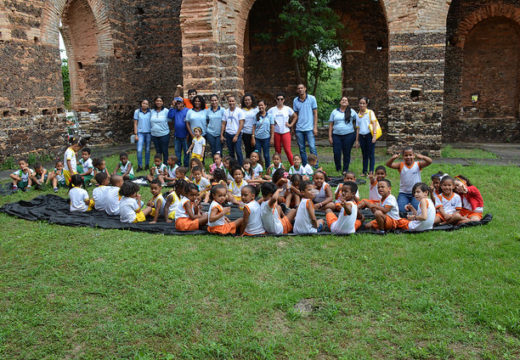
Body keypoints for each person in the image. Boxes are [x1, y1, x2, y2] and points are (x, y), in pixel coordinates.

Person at [386, 146, 433, 213]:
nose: (408, 157)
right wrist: (393, 158)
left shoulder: (418, 164)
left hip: (416, 193)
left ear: (414, 155)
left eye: (410, 155)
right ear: (403, 157)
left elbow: (429, 161)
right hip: (403, 193)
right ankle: (408, 209)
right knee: (401, 210)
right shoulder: (401, 165)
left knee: (417, 208)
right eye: (406, 155)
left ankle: (411, 209)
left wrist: (422, 157)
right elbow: (388, 164)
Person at [328, 96, 357, 173]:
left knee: (346, 152)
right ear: (340, 102)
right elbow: (331, 124)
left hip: (349, 135)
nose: (344, 101)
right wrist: (330, 136)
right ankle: (338, 168)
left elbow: (358, 121)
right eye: (342, 100)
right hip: (336, 135)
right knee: (336, 152)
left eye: (346, 100)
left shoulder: (352, 111)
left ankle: (345, 169)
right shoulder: (334, 112)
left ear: (348, 103)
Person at [293, 84, 318, 167]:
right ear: (297, 90)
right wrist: (293, 127)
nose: (300, 90)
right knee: (302, 149)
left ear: (305, 89)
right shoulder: (295, 100)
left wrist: (315, 127)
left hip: (309, 128)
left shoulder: (312, 98)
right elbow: (295, 115)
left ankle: (315, 166)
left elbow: (315, 113)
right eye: (298, 88)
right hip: (299, 128)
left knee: (312, 148)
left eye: (302, 88)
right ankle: (304, 166)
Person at [268, 93, 296, 165]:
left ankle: (293, 166)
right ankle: (279, 167)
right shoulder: (272, 110)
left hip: (285, 132)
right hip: (276, 132)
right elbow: (266, 117)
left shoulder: (287, 109)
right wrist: (272, 122)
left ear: (284, 100)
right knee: (277, 151)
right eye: (278, 99)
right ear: (276, 100)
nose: (280, 101)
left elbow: (295, 116)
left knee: (287, 150)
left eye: (281, 99)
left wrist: (291, 124)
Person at [355, 97, 379, 177]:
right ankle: (364, 171)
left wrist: (374, 135)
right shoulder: (357, 115)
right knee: (364, 154)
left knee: (371, 154)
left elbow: (374, 123)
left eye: (363, 103)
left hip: (370, 135)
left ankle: (371, 171)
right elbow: (358, 128)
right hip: (362, 136)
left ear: (366, 104)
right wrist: (357, 140)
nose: (362, 105)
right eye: (360, 103)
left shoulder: (370, 112)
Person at [221, 95, 246, 165]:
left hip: (237, 134)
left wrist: (236, 135)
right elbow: (223, 123)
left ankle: (241, 166)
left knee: (238, 151)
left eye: (233, 101)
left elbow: (241, 124)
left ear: (235, 102)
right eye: (230, 101)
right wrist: (221, 135)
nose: (231, 102)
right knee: (231, 152)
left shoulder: (239, 111)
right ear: (227, 102)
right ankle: (233, 166)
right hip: (228, 133)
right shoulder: (226, 111)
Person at [168, 97, 190, 167]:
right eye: (176, 103)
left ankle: (186, 165)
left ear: (183, 103)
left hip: (186, 135)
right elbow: (170, 116)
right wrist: (172, 106)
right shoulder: (174, 111)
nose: (178, 105)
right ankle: (178, 165)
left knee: (186, 151)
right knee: (177, 152)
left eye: (179, 103)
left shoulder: (187, 110)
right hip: (177, 135)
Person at [252, 100, 274, 168]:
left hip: (266, 138)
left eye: (262, 105)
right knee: (257, 155)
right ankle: (259, 170)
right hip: (257, 138)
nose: (261, 107)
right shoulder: (256, 116)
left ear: (265, 106)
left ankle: (268, 169)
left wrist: (272, 138)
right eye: (259, 105)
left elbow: (272, 127)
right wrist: (253, 137)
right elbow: (253, 127)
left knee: (266, 155)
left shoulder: (270, 116)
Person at [150, 96, 171, 164]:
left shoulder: (166, 111)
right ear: (155, 102)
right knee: (158, 152)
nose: (158, 102)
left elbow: (170, 120)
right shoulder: (151, 111)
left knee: (165, 151)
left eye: (160, 101)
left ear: (162, 102)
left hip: (164, 134)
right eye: (157, 101)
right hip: (154, 135)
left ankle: (165, 166)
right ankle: (159, 166)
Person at [133, 99, 152, 171]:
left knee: (147, 150)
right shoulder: (137, 112)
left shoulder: (151, 112)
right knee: (139, 150)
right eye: (143, 103)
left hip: (148, 133)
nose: (145, 105)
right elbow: (135, 123)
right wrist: (136, 134)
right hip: (140, 133)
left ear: (148, 105)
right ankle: (140, 166)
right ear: (141, 104)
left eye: (146, 104)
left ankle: (147, 165)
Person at [241, 94, 259, 159]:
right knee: (248, 150)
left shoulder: (256, 109)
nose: (247, 101)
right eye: (245, 100)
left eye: (249, 100)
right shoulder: (242, 110)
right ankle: (248, 165)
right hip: (245, 133)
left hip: (255, 133)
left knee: (255, 150)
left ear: (252, 100)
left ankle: (257, 165)